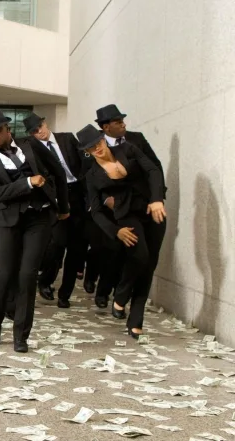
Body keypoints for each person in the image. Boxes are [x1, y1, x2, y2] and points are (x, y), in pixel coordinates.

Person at [0, 107, 69, 353]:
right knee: (5, 274)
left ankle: (21, 335)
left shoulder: (31, 145)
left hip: (38, 217)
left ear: (7, 128)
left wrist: (63, 207)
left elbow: (58, 172)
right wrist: (28, 182)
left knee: (28, 276)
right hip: (9, 220)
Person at [78, 124, 166, 338]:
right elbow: (96, 211)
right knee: (140, 256)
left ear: (103, 139)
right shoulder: (92, 175)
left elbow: (153, 170)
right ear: (87, 151)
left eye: (98, 143)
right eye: (92, 148)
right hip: (127, 216)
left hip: (151, 209)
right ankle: (121, 293)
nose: (98, 149)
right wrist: (115, 231)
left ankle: (135, 319)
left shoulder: (128, 149)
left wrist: (156, 199)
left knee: (149, 265)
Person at [88, 104, 166, 306]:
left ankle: (124, 298)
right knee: (113, 251)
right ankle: (103, 292)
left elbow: (154, 167)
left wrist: (157, 196)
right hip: (112, 209)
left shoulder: (135, 140)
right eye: (118, 121)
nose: (123, 124)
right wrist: (106, 201)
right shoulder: (93, 146)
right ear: (106, 127)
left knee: (139, 254)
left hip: (142, 205)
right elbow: (89, 180)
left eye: (123, 120)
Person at [24, 113, 88, 309]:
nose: (39, 132)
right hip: (56, 197)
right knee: (56, 244)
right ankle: (45, 281)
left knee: (76, 248)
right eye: (34, 131)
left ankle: (65, 294)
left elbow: (84, 163)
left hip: (77, 194)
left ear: (45, 123)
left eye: (40, 127)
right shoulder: (34, 149)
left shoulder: (67, 139)